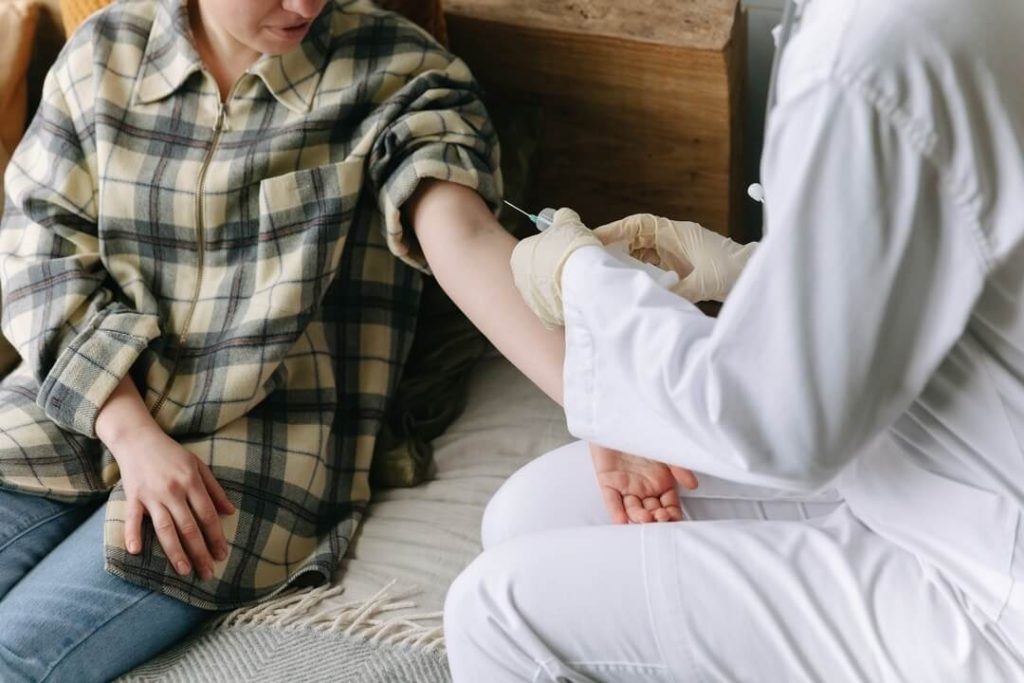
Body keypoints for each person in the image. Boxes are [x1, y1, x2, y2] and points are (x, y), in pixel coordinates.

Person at [443, 0, 1024, 680]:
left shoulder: (877, 50)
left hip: (986, 581)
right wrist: (752, 269)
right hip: (925, 453)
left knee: (495, 611)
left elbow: (779, 427)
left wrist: (583, 283)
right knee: (528, 514)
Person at [0, 0, 565, 678]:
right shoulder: (104, 51)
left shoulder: (398, 72)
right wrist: (133, 435)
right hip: (66, 410)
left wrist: (602, 406)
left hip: (251, 451)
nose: (304, 5)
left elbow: (465, 239)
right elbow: (39, 259)